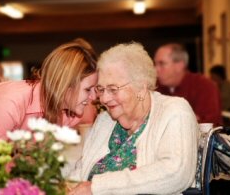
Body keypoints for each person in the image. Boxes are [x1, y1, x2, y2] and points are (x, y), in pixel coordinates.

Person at [68, 42, 198, 195]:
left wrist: (97, 188)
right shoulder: (104, 120)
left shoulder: (174, 111)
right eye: (101, 89)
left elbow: (175, 173)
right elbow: (82, 169)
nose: (104, 98)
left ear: (141, 88)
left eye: (113, 89)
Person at [0, 38, 98, 156]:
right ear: (66, 85)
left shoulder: (69, 110)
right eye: (88, 89)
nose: (93, 97)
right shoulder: (11, 101)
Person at [154, 43, 222, 125]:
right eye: (155, 64)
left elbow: (210, 124)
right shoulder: (155, 87)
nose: (156, 69)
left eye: (162, 64)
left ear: (179, 65)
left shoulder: (204, 86)